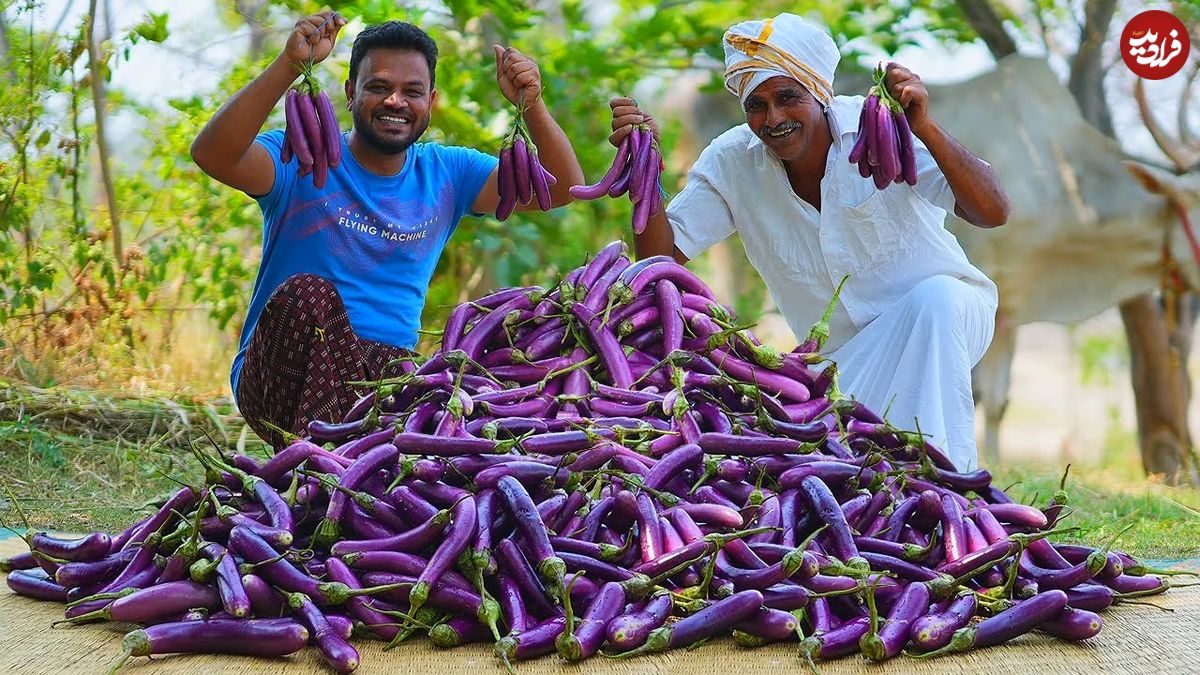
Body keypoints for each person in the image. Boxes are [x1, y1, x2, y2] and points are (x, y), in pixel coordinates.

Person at [609, 13, 1009, 470]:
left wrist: (925, 128)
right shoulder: (732, 161)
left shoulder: (879, 126)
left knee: (933, 300)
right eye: (755, 105)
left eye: (787, 97)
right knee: (827, 475)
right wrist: (643, 167)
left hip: (947, 319)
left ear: (820, 94)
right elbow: (659, 262)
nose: (773, 118)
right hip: (839, 368)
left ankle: (949, 488)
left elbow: (993, 211)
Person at [191, 13, 583, 447]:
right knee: (308, 294)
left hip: (385, 384)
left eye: (412, 91)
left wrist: (533, 103)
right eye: (378, 87)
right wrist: (289, 64)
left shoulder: (449, 174)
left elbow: (564, 188)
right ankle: (322, 465)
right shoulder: (300, 154)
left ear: (430, 103)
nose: (395, 101)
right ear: (350, 93)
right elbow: (213, 154)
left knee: (486, 348)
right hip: (279, 374)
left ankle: (333, 472)